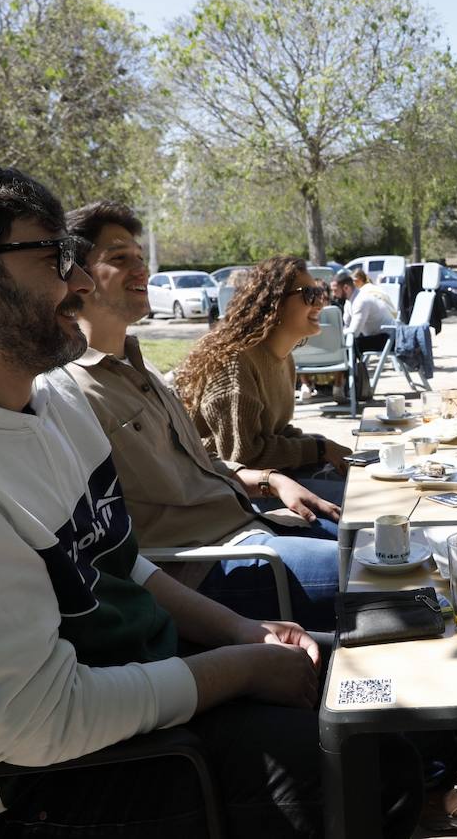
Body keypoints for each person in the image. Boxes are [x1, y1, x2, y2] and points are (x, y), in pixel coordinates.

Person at [0, 167, 422, 837]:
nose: (77, 283)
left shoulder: (48, 395)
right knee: (374, 760)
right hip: (49, 782)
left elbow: (122, 566)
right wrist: (239, 669)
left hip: (148, 683)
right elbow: (38, 725)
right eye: (52, 258)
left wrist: (241, 632)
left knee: (392, 676)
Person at [63, 201, 342, 630]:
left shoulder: (143, 367)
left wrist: (269, 479)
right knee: (371, 571)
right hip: (205, 565)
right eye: (120, 259)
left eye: (140, 258)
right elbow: (101, 547)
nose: (141, 270)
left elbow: (202, 461)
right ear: (76, 278)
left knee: (381, 539)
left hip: (248, 524)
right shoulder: (67, 391)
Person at [174, 256, 352, 506]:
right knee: (352, 510)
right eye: (310, 294)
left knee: (358, 484)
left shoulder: (283, 358)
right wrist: (318, 450)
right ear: (276, 302)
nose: (321, 303)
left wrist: (323, 446)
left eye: (321, 293)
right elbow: (243, 455)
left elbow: (274, 432)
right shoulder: (235, 362)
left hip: (268, 478)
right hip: (224, 495)